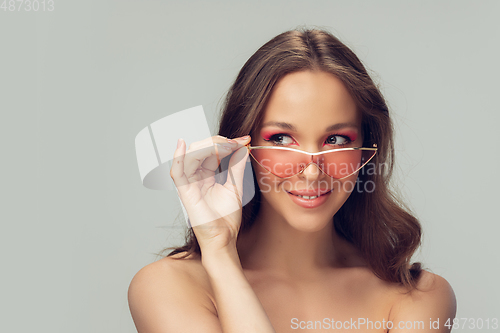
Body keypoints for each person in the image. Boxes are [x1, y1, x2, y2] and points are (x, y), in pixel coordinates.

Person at [128, 28, 456, 333]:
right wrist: (219, 252)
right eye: (282, 139)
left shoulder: (420, 298)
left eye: (337, 139)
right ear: (241, 145)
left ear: (366, 148)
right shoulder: (168, 287)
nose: (312, 171)